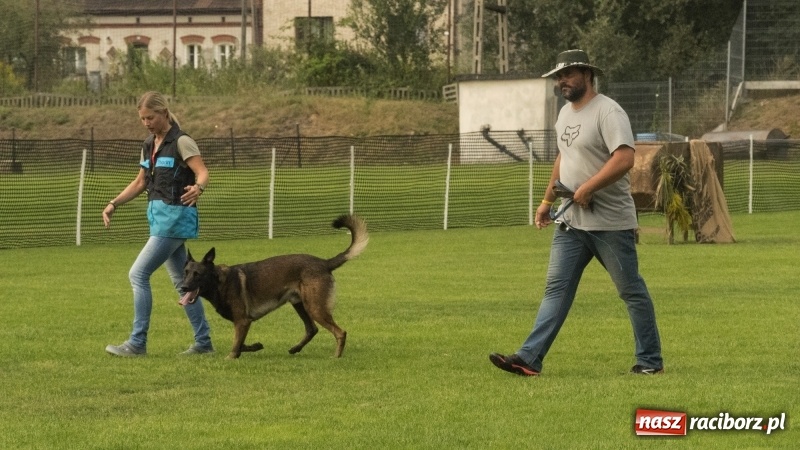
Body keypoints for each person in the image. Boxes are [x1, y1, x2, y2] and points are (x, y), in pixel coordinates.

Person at [489, 50, 663, 376]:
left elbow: (625, 158)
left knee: (631, 291)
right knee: (556, 290)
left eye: (567, 75)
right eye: (558, 77)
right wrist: (546, 200)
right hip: (571, 220)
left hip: (609, 223)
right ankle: (529, 359)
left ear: (586, 74)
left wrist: (590, 186)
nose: (561, 82)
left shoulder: (608, 112)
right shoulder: (565, 114)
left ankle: (650, 362)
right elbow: (563, 158)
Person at [103, 91, 214, 357]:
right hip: (159, 221)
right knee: (182, 282)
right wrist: (114, 203)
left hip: (175, 219)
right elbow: (141, 182)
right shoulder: (149, 144)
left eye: (150, 117)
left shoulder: (182, 141)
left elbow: (202, 171)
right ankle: (204, 343)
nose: (146, 122)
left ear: (164, 112)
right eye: (142, 119)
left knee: (138, 274)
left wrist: (199, 187)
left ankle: (137, 343)